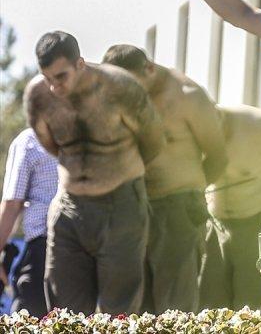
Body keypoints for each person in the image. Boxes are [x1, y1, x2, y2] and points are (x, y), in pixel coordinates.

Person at [25, 31, 164, 315]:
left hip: (121, 205)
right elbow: (53, 146)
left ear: (80, 64)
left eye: (60, 77)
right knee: (64, 311)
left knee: (118, 313)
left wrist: (113, 172)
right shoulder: (38, 96)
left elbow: (153, 142)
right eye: (47, 78)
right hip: (69, 207)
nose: (54, 87)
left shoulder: (120, 88)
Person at [101, 45, 226, 314]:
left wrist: (193, 194)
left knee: (176, 308)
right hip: (134, 208)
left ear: (149, 69)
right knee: (133, 308)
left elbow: (218, 155)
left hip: (179, 208)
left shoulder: (188, 97)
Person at [198, 105, 261, 311]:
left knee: (250, 300)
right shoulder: (196, 134)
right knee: (209, 298)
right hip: (215, 224)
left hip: (257, 220)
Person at [0, 127, 58, 317]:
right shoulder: (92, 135)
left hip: (43, 250)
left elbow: (12, 203)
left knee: (24, 322)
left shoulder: (30, 140)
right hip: (89, 247)